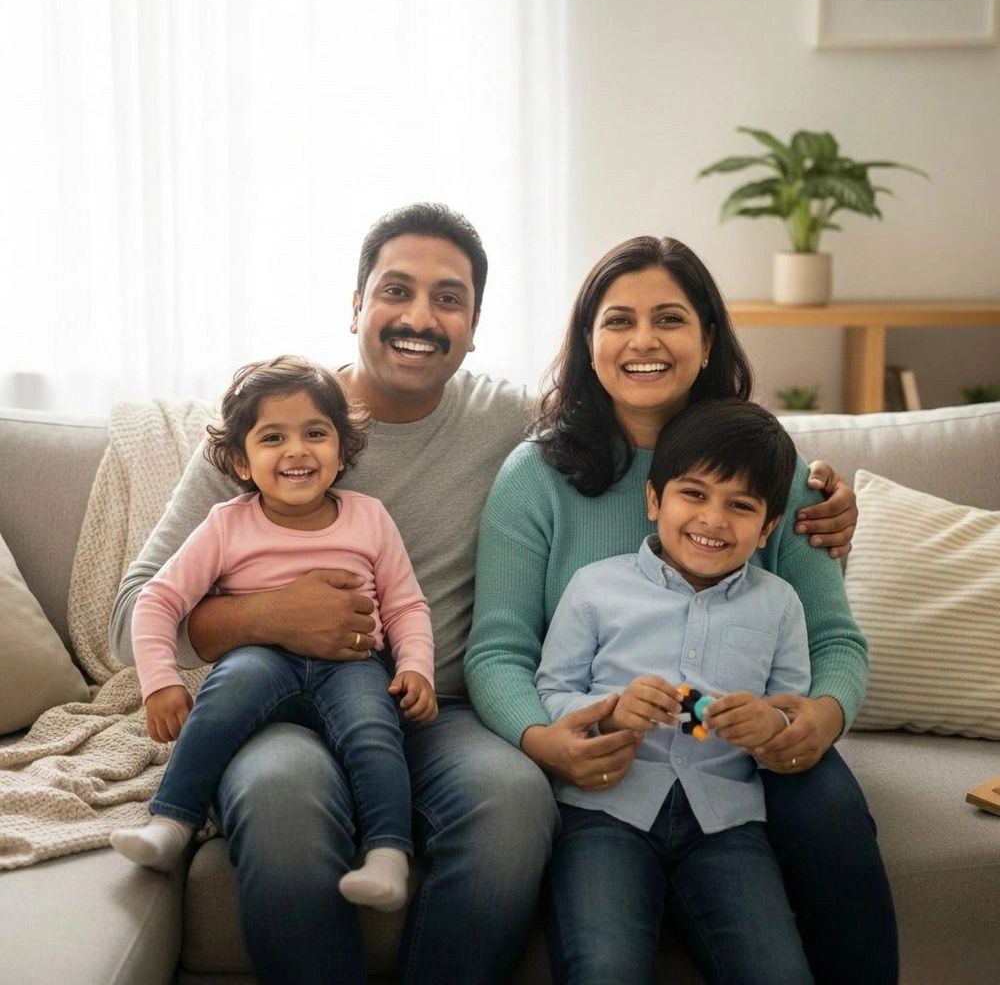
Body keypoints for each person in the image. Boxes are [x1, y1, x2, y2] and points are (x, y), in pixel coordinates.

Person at [110, 206, 860, 984]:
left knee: (513, 805)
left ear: (474, 326)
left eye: (448, 298)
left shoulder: (515, 425)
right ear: (356, 305)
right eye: (395, 290)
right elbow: (126, 615)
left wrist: (821, 497)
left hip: (443, 708)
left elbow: (701, 456)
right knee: (280, 801)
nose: (419, 317)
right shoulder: (271, 427)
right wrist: (269, 616)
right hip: (281, 707)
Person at [465, 235, 897, 983]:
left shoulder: (771, 465)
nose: (643, 341)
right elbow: (499, 650)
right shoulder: (534, 474)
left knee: (826, 805)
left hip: (734, 762)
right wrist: (544, 739)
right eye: (618, 320)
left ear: (706, 341)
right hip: (605, 768)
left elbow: (832, 636)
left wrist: (816, 719)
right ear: (587, 342)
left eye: (669, 318)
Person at [110, 356, 435, 914]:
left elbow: (406, 604)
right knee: (226, 693)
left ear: (341, 447)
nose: (297, 450)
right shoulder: (226, 524)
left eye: (316, 433)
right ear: (240, 459)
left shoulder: (369, 516)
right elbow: (158, 600)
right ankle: (171, 822)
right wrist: (159, 682)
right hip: (259, 659)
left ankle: (387, 856)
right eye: (273, 437)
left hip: (353, 663)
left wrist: (416, 669)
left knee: (375, 729)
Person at [536, 398, 813, 982]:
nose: (713, 520)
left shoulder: (780, 604)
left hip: (728, 824)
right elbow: (553, 692)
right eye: (694, 494)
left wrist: (771, 729)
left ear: (767, 529)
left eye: (740, 506)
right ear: (654, 500)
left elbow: (793, 707)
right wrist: (610, 713)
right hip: (604, 814)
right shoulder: (594, 588)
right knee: (603, 968)